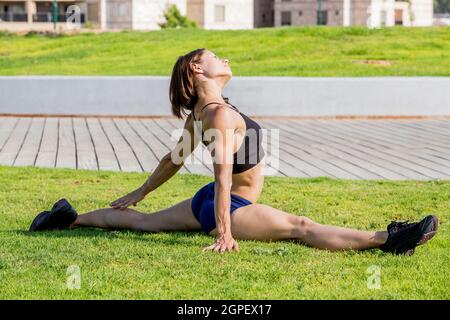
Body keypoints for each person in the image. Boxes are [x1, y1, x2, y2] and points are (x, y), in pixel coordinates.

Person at [29, 48, 438, 256]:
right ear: (197, 69)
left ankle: (66, 219)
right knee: (301, 227)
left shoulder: (203, 112)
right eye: (214, 57)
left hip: (203, 201)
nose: (223, 58)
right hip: (231, 204)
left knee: (141, 223)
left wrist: (141, 193)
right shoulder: (219, 116)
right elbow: (222, 176)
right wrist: (225, 231)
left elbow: (174, 159)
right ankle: (390, 239)